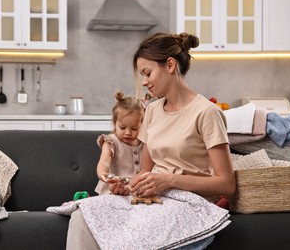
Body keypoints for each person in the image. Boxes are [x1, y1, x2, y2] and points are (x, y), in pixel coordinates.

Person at [66, 32, 236, 249]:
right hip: (154, 199)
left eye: (147, 73)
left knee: (134, 235)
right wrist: (129, 186)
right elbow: (145, 173)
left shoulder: (207, 113)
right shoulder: (152, 110)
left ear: (170, 65)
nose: (144, 82)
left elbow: (226, 184)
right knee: (83, 214)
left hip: (188, 203)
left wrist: (168, 180)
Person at [95, 91, 144, 195]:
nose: (128, 133)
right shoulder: (110, 142)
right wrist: (102, 173)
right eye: (122, 127)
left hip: (135, 192)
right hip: (112, 190)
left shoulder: (145, 143)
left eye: (134, 128)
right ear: (115, 124)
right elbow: (104, 161)